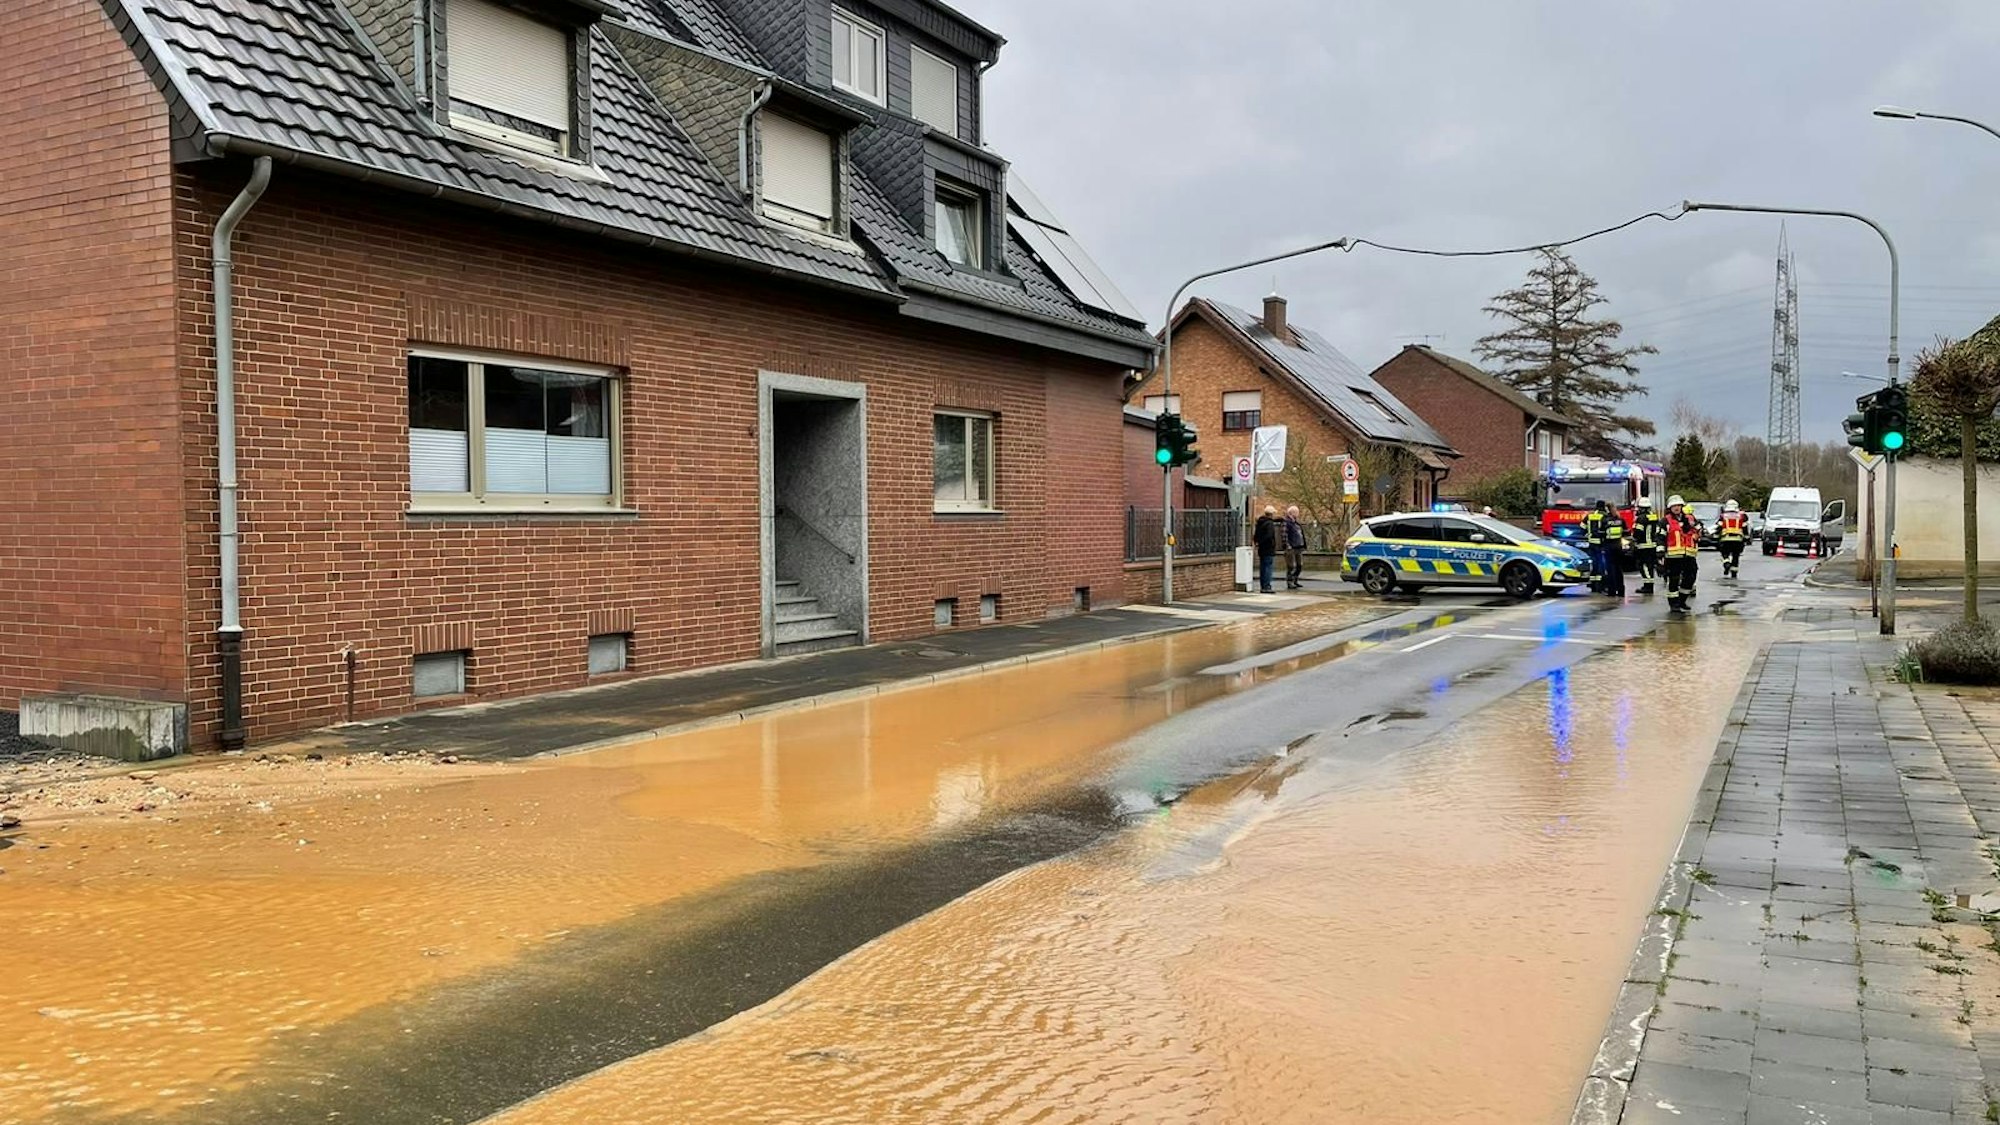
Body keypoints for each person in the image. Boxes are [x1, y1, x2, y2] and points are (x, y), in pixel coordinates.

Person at [1663, 494, 1700, 614]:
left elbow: (1699, 528)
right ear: (1670, 508)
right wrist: (1659, 555)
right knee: (1673, 580)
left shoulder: (1689, 519)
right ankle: (1674, 604)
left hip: (1688, 555)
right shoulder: (1665, 521)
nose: (1676, 508)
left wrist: (1697, 534)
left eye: (1678, 505)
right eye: (1674, 506)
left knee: (1690, 577)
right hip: (1673, 556)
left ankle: (1682, 600)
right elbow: (1660, 537)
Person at [1631, 497, 1663, 595]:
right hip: (1652, 545)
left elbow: (1638, 533)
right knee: (1650, 566)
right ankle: (1649, 585)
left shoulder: (1641, 519)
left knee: (1643, 566)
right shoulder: (1653, 516)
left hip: (1643, 546)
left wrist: (1634, 538)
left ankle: (1648, 586)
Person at [1598, 499, 1627, 597]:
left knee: (1610, 569)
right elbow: (1626, 532)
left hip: (1608, 547)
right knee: (1619, 569)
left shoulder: (1605, 520)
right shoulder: (1620, 519)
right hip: (1618, 546)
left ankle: (1612, 591)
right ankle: (1621, 590)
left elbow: (1601, 533)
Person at [1716, 499, 1749, 579]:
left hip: (1725, 539)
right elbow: (1745, 527)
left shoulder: (1723, 516)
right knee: (1736, 556)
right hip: (1738, 540)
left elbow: (1719, 527)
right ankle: (1734, 573)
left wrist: (1717, 535)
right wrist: (1746, 537)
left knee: (1725, 553)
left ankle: (1726, 563)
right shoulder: (1742, 516)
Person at [1584, 500, 1611, 594]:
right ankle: (1600, 584)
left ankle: (1592, 584)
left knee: (1593, 562)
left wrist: (1587, 534)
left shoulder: (1589, 515)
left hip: (1591, 543)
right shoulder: (1605, 516)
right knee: (1601, 563)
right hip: (1601, 543)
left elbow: (1582, 526)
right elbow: (1607, 529)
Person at [1253, 505, 1279, 594]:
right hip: (1268, 549)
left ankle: (1263, 585)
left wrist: (1259, 543)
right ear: (1271, 514)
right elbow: (1269, 536)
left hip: (1261, 548)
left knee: (1263, 568)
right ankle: (1267, 586)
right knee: (1268, 568)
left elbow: (1255, 536)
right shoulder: (1269, 524)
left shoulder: (1260, 523)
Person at [1283, 506, 1308, 589]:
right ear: (1291, 513)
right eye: (1297, 512)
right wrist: (1287, 545)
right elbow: (1284, 535)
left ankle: (1295, 579)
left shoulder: (1296, 523)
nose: (1298, 514)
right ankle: (1289, 581)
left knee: (1299, 565)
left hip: (1298, 547)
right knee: (1291, 566)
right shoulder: (1287, 522)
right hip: (1291, 547)